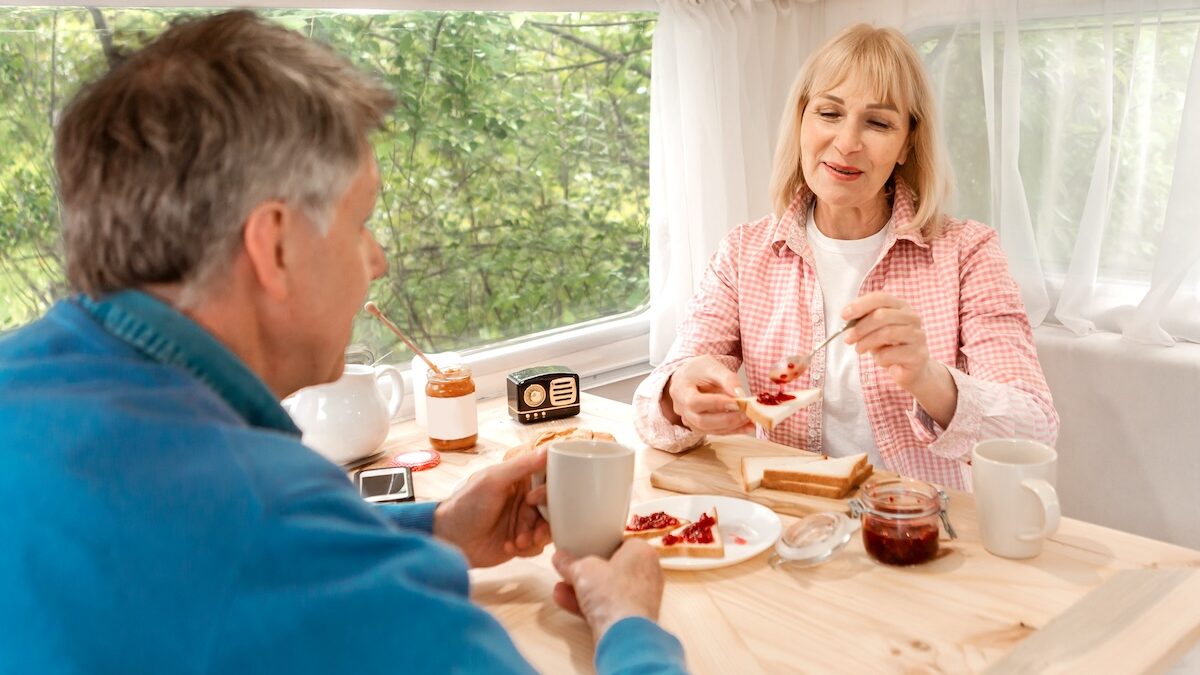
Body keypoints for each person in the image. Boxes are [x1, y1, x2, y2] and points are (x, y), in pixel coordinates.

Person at [0, 12, 685, 674]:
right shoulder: (266, 517)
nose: (378, 259)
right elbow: (270, 548)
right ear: (275, 246)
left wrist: (436, 528)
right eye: (361, 221)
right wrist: (631, 624)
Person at [633, 24, 1058, 491]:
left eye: (878, 123)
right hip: (791, 512)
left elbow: (1034, 430)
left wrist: (926, 376)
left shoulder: (968, 252)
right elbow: (652, 413)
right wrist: (678, 394)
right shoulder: (743, 253)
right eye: (829, 113)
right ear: (802, 122)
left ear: (907, 143)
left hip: (918, 517)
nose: (847, 142)